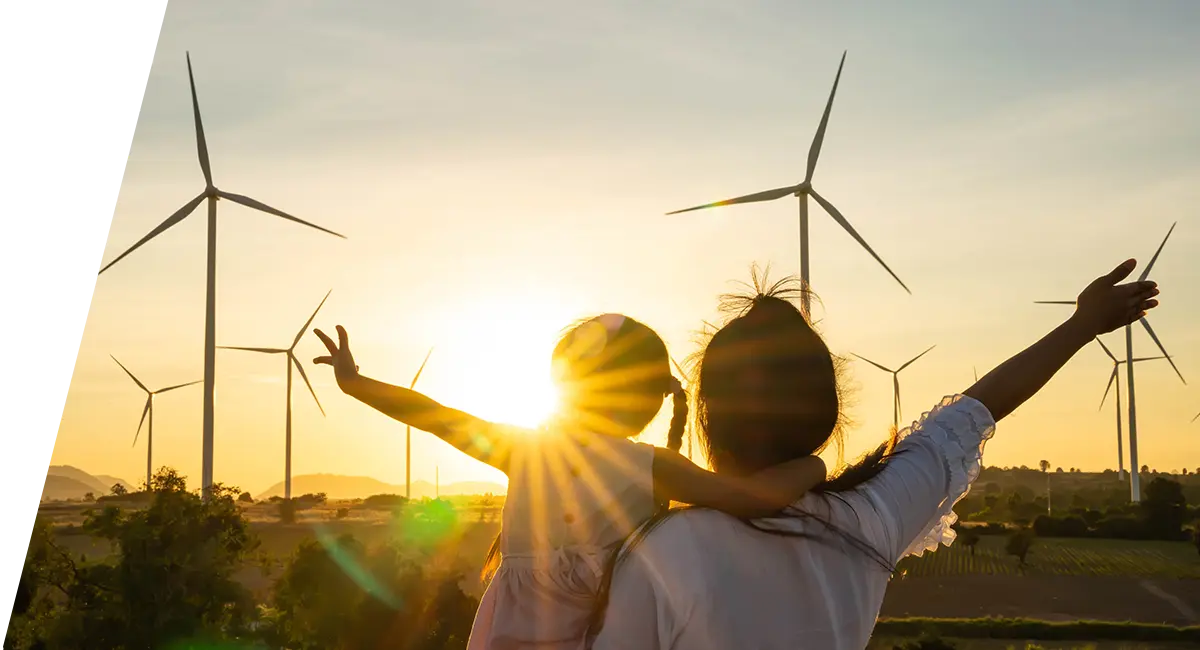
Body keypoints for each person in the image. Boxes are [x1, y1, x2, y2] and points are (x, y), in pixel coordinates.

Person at [587, 259, 1161, 650]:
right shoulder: (869, 519)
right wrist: (1082, 325)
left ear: (707, 414)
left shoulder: (665, 551)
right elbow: (977, 409)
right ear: (827, 412)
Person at [311, 313, 828, 650]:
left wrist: (355, 384)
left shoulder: (523, 449)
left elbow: (431, 415)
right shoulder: (649, 464)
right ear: (647, 400)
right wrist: (813, 467)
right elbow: (751, 499)